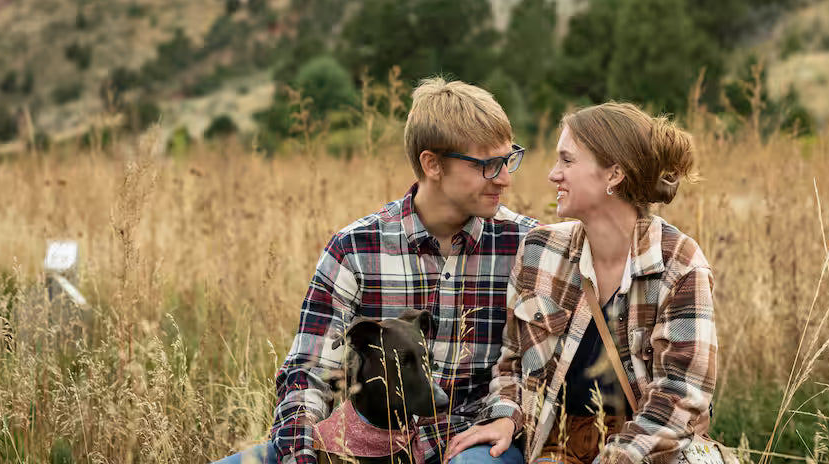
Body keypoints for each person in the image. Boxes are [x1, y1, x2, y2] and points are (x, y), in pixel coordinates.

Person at [215, 77, 538, 464]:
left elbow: (534, 369)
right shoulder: (355, 248)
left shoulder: (527, 245)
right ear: (432, 164)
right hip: (368, 445)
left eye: (508, 159)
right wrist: (300, 455)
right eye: (487, 165)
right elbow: (309, 371)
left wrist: (506, 416)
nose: (505, 178)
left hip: (472, 443)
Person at [446, 102, 717, 464]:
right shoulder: (540, 249)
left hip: (640, 453)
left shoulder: (679, 264)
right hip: (549, 445)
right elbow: (511, 365)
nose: (553, 174)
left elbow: (679, 401)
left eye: (567, 161)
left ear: (614, 174)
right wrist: (505, 416)